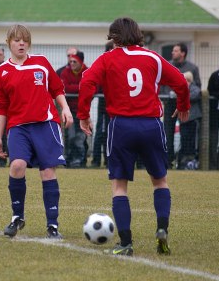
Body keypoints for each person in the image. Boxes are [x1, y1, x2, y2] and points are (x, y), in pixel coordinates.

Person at [77, 17, 190, 256]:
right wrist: (183, 105)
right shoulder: (153, 58)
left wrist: (84, 115)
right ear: (137, 34)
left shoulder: (107, 59)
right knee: (160, 181)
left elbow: (87, 81)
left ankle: (126, 242)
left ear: (114, 37)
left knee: (119, 187)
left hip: (122, 127)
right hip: (151, 125)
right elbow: (181, 82)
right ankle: (162, 229)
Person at [0, 24, 73, 239]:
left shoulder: (41, 63)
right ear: (9, 42)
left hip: (46, 125)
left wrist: (65, 108)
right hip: (18, 127)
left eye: (25, 40)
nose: (21, 43)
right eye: (17, 40)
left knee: (47, 172)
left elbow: (57, 89)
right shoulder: (1, 71)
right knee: (17, 165)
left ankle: (53, 225)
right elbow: (1, 106)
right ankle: (17, 217)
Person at [161, 43, 200, 168]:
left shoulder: (192, 68)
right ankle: (167, 161)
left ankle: (183, 161)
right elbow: (161, 84)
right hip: (170, 104)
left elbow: (197, 86)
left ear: (183, 53)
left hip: (184, 105)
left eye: (176, 50)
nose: (173, 52)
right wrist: (166, 96)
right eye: (173, 50)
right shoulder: (167, 66)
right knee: (168, 132)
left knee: (186, 133)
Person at [60, 51, 88, 167]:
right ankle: (69, 159)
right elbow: (64, 88)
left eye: (74, 61)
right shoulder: (65, 72)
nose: (71, 63)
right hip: (69, 110)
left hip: (83, 110)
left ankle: (81, 160)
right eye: (70, 61)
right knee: (70, 136)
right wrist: (80, 87)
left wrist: (77, 87)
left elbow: (91, 87)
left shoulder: (87, 71)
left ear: (80, 62)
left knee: (81, 137)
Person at [91, 40, 114, 168]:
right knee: (101, 132)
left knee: (110, 132)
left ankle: (108, 159)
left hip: (113, 103)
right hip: (104, 103)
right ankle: (96, 160)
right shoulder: (104, 62)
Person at [177, 71, 202, 169]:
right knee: (184, 140)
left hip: (192, 120)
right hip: (184, 120)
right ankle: (183, 162)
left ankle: (190, 161)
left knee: (192, 142)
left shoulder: (195, 89)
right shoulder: (181, 89)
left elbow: (193, 96)